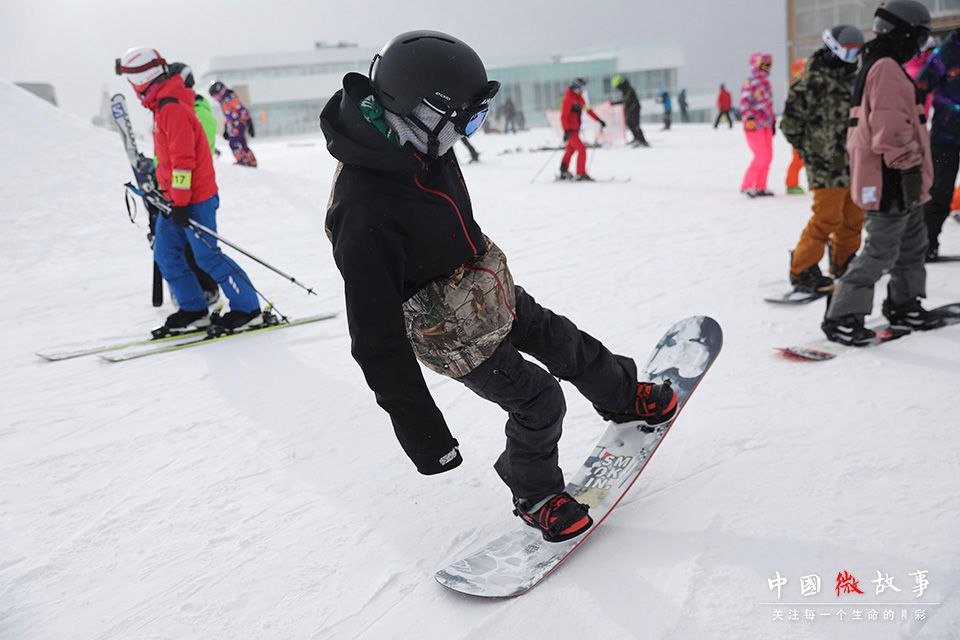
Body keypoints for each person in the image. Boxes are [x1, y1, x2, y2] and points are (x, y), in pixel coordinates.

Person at [319, 30, 678, 543]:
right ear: (421, 109)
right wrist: (425, 436)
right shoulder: (363, 206)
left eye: (476, 118)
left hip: (487, 289)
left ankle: (622, 396)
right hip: (449, 333)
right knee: (539, 400)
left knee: (566, 342)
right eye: (465, 119)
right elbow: (374, 338)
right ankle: (534, 492)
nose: (468, 132)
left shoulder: (421, 142)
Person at [822, 0, 944, 344]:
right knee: (880, 250)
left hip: (901, 177)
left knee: (912, 245)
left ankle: (904, 303)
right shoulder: (886, 67)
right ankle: (842, 315)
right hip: (891, 177)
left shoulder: (877, 62)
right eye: (918, 39)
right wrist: (908, 168)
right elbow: (889, 128)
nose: (918, 48)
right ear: (902, 32)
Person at [115, 47, 262, 332]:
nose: (132, 89)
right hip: (175, 200)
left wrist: (181, 201)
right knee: (166, 253)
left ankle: (248, 309)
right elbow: (169, 160)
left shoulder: (171, 108)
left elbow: (184, 162)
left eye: (132, 81)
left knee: (207, 255)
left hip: (195, 199)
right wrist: (162, 188)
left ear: (142, 78)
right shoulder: (161, 107)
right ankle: (194, 309)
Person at [780, 25, 865, 295]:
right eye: (848, 51)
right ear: (834, 48)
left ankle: (844, 261)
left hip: (855, 163)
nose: (853, 57)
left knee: (853, 217)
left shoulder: (856, 80)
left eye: (857, 52)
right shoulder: (812, 81)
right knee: (826, 219)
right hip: (825, 165)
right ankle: (802, 269)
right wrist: (812, 151)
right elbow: (790, 125)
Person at [915, 30, 960, 262]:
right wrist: (916, 121)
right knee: (939, 192)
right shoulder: (945, 54)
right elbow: (920, 86)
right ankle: (927, 244)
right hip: (946, 137)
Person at [739, 53, 776, 197]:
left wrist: (772, 120)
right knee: (761, 155)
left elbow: (768, 104)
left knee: (768, 155)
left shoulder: (766, 83)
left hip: (766, 124)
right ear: (756, 65)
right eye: (764, 65)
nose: (767, 69)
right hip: (754, 125)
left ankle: (761, 185)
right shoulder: (750, 82)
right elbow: (745, 102)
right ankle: (747, 185)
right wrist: (749, 118)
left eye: (769, 65)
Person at [559, 78, 606, 181]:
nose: (582, 90)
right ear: (575, 87)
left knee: (570, 150)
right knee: (582, 150)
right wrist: (566, 130)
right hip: (571, 130)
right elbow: (563, 117)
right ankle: (581, 173)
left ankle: (563, 171)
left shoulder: (579, 98)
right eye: (581, 88)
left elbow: (588, 110)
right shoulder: (568, 99)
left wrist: (598, 120)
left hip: (576, 129)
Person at [209, 81, 258, 167]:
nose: (216, 99)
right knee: (242, 143)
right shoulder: (224, 101)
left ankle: (242, 160)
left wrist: (249, 122)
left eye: (216, 96)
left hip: (238, 124)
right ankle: (251, 161)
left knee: (233, 143)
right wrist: (225, 128)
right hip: (234, 124)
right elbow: (229, 116)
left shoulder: (230, 98)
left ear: (221, 92)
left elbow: (242, 109)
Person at [785, 58, 808, 196]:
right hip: (800, 131)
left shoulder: (810, 87)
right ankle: (791, 184)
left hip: (810, 131)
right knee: (798, 160)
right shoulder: (798, 89)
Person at [611, 75, 649, 147]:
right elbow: (625, 101)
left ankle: (642, 141)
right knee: (630, 124)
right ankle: (636, 138)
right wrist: (615, 103)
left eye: (617, 86)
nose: (617, 88)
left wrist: (627, 108)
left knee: (636, 125)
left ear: (620, 84)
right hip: (629, 110)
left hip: (634, 109)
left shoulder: (628, 89)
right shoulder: (624, 90)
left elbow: (627, 100)